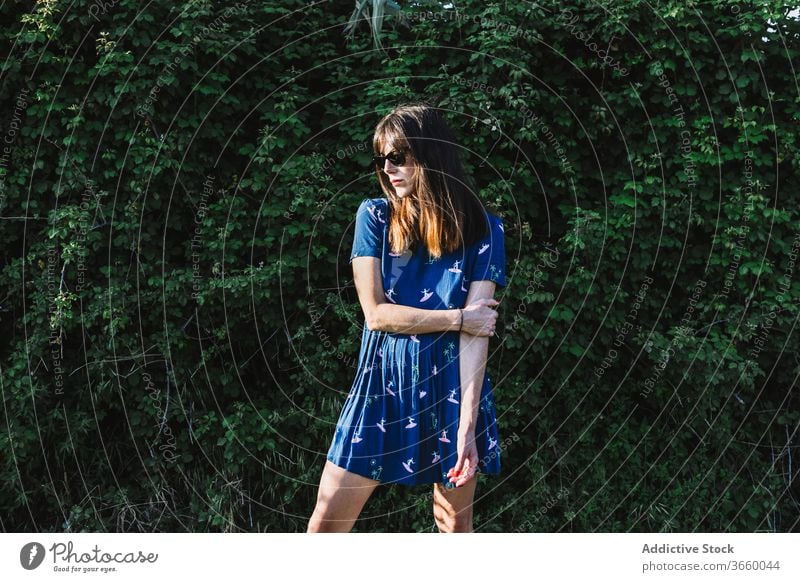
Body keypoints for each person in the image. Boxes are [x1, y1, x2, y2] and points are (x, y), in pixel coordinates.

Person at [307, 103, 507, 533]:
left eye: (399, 156)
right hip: (382, 389)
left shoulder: (485, 230)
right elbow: (377, 315)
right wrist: (457, 318)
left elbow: (479, 334)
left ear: (430, 155)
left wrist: (467, 426)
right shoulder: (375, 217)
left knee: (456, 531)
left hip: (452, 393)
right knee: (323, 532)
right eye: (382, 158)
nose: (388, 168)